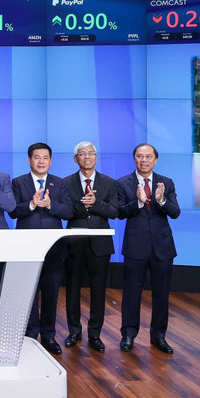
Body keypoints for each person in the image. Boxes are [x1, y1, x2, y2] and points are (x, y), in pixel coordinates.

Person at [116, 143, 181, 354]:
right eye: (140, 156)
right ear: (134, 158)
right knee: (131, 292)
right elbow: (120, 212)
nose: (144, 160)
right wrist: (138, 202)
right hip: (136, 245)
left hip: (162, 246)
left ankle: (159, 336)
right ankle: (128, 334)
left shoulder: (167, 183)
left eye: (148, 156)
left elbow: (175, 212)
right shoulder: (123, 183)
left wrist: (161, 201)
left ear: (155, 159)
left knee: (161, 293)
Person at [9, 142, 72, 355]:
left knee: (51, 293)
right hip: (26, 249)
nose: (41, 161)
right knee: (29, 294)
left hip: (53, 250)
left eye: (45, 158)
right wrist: (32, 205)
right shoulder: (18, 183)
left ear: (50, 161)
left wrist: (50, 205)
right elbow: (13, 211)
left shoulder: (59, 183)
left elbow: (68, 211)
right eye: (37, 157)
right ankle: (30, 335)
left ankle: (48, 336)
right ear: (29, 160)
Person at [63, 141, 117, 353]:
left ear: (96, 157)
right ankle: (74, 331)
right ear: (75, 159)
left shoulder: (110, 183)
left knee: (98, 290)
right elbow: (65, 211)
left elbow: (114, 212)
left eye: (91, 153)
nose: (87, 157)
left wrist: (96, 204)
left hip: (100, 244)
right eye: (82, 154)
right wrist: (81, 206)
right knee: (72, 290)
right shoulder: (65, 183)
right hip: (74, 243)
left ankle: (95, 334)